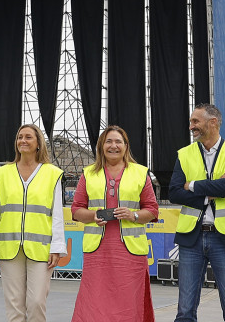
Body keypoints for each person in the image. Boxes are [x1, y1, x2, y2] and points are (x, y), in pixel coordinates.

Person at [168, 103, 225, 322]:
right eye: (191, 122)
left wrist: (192, 185)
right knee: (185, 310)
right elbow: (174, 193)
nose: (191, 126)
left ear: (212, 122)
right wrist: (209, 193)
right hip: (191, 237)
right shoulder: (184, 154)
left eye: (195, 121)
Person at [70, 125, 159, 322]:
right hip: (97, 252)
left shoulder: (140, 173)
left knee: (129, 304)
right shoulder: (88, 174)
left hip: (130, 253)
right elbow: (76, 210)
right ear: (101, 146)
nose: (113, 146)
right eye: (109, 141)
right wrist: (93, 216)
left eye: (118, 141)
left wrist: (133, 215)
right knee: (95, 302)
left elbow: (152, 210)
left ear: (126, 146)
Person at [0, 124, 66, 322]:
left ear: (38, 144)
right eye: (20, 137)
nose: (23, 141)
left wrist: (57, 247)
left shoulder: (52, 173)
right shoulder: (3, 173)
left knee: (36, 302)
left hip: (41, 249)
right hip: (9, 248)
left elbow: (57, 215)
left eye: (28, 137)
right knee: (14, 306)